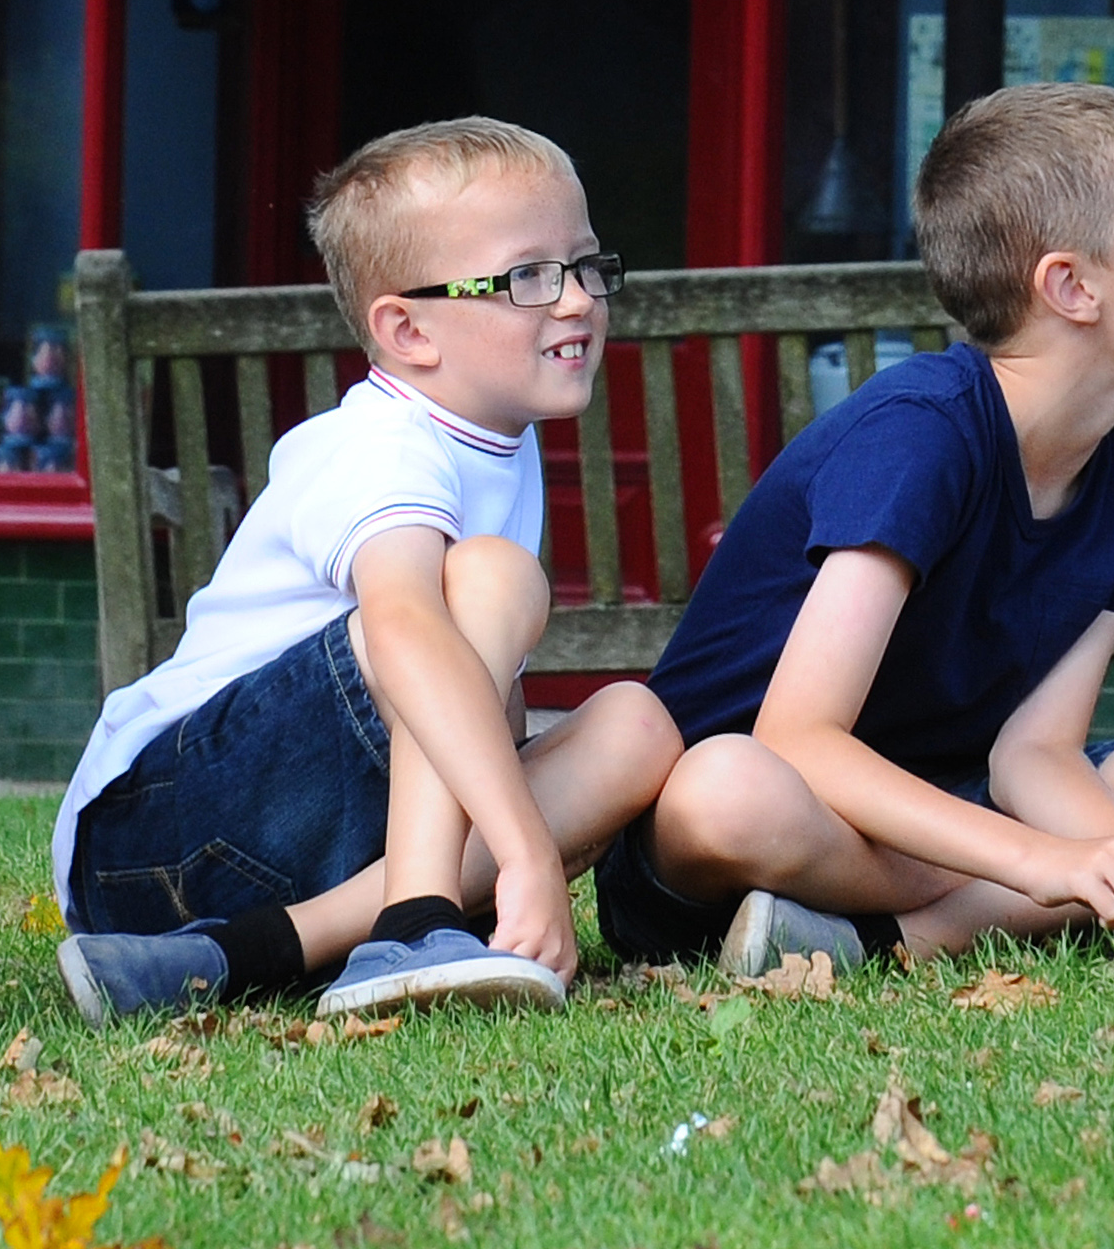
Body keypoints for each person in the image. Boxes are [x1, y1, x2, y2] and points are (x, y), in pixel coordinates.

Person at [599, 83, 1114, 974]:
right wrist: (1048, 862)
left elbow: (1037, 753)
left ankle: (886, 945)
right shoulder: (924, 434)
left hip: (959, 805)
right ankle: (962, 913)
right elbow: (796, 739)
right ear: (1071, 286)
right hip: (758, 827)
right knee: (723, 790)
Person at [51, 119, 681, 1023]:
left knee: (637, 726)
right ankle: (417, 919)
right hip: (157, 830)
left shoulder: (501, 436)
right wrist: (528, 854)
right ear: (408, 329)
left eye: (585, 266)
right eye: (530, 278)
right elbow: (402, 629)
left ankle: (249, 955)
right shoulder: (376, 444)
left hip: (286, 855)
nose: (577, 300)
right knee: (490, 581)